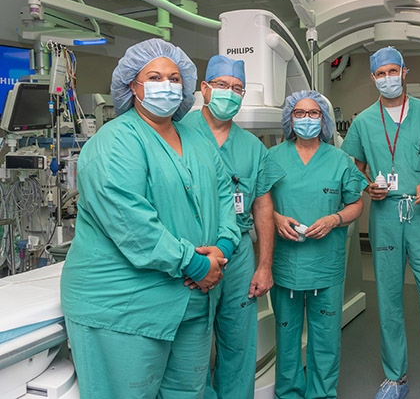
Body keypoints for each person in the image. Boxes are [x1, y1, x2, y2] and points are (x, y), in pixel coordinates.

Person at [60, 38, 241, 397]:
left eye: (175, 78)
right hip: (125, 307)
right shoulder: (115, 142)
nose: (168, 85)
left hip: (190, 301)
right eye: (155, 77)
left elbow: (224, 193)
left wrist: (223, 245)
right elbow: (133, 223)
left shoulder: (197, 138)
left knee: (189, 392)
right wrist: (194, 264)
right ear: (133, 85)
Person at [341, 46, 420, 399]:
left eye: (393, 71)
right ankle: (396, 377)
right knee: (389, 298)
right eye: (381, 73)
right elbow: (356, 169)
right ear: (373, 78)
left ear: (405, 72)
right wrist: (367, 187)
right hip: (385, 216)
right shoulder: (364, 121)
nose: (388, 78)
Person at [181, 55, 285, 399]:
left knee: (239, 342)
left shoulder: (253, 148)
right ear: (205, 89)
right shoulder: (178, 132)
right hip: (191, 249)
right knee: (190, 348)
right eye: (222, 86)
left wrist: (264, 266)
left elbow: (263, 206)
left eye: (238, 88)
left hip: (238, 252)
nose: (230, 93)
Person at [269, 90, 366, 398]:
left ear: (324, 120)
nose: (306, 119)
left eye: (313, 114)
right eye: (299, 113)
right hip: (286, 264)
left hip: (326, 264)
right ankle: (289, 392)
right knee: (286, 336)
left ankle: (322, 393)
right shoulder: (272, 158)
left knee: (325, 338)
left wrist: (334, 220)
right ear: (289, 118)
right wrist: (275, 218)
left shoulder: (339, 160)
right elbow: (260, 201)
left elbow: (356, 204)